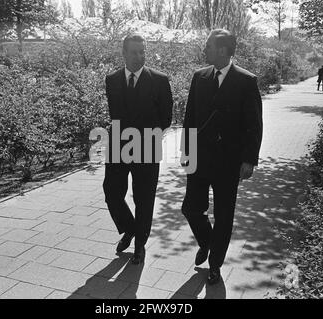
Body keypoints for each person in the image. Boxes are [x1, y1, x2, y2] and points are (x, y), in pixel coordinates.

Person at [181, 29, 263, 285]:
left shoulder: (246, 81)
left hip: (229, 162)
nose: (205, 50)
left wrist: (249, 159)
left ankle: (215, 264)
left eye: (208, 46)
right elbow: (190, 119)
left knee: (224, 215)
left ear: (223, 50)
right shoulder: (199, 77)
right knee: (191, 208)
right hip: (201, 159)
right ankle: (207, 241)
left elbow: (254, 124)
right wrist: (186, 153)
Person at [103, 33, 173, 265]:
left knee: (144, 198)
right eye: (134, 52)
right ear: (123, 53)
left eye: (142, 51)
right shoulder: (111, 79)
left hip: (147, 147)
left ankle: (140, 244)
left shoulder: (160, 80)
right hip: (117, 147)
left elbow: (166, 118)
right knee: (112, 192)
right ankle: (130, 227)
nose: (139, 56)